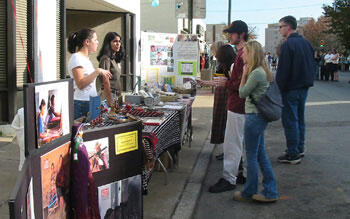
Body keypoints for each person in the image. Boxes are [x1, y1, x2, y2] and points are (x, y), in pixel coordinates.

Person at [233, 40, 278, 203]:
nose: (242, 55)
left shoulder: (256, 73)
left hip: (254, 117)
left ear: (252, 54)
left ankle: (250, 191)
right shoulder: (262, 71)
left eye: (245, 52)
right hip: (259, 117)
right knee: (260, 154)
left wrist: (244, 75)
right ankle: (270, 191)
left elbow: (242, 93)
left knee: (251, 156)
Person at [210, 20, 248, 193]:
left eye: (232, 33)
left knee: (232, 143)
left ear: (241, 34)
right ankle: (243, 173)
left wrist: (227, 82)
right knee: (241, 142)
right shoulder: (242, 53)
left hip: (237, 105)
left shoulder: (243, 54)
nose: (230, 36)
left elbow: (241, 84)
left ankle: (229, 178)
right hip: (240, 105)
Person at [276, 15, 315, 164]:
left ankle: (293, 153)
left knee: (290, 120)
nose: (279, 30)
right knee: (299, 118)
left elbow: (283, 70)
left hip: (291, 88)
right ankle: (299, 148)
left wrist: (279, 89)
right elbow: (313, 64)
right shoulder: (306, 43)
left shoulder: (288, 45)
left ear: (288, 27)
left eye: (280, 27)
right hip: (304, 86)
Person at [196, 44, 236, 161]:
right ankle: (227, 150)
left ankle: (229, 153)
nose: (215, 56)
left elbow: (230, 83)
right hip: (223, 96)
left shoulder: (232, 66)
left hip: (227, 97)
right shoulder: (226, 65)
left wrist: (206, 83)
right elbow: (219, 81)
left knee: (226, 124)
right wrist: (205, 82)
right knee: (223, 123)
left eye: (216, 53)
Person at [68, 29, 112, 119]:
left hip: (91, 101)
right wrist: (97, 71)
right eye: (95, 40)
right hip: (81, 103)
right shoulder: (76, 58)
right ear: (87, 42)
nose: (97, 42)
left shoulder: (85, 59)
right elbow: (80, 84)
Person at [97, 32, 124, 107]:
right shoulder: (106, 58)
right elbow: (105, 81)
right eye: (115, 41)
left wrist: (120, 97)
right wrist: (109, 100)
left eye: (119, 41)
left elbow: (117, 80)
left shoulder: (113, 59)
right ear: (108, 43)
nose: (118, 44)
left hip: (115, 95)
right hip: (108, 96)